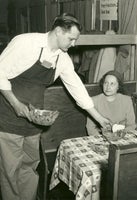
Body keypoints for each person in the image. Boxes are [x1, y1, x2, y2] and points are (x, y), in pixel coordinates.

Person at [0, 13, 111, 200]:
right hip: (9, 117)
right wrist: (16, 104)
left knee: (30, 165)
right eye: (71, 39)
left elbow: (77, 89)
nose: (73, 44)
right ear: (58, 31)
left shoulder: (62, 58)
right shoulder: (25, 43)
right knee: (10, 171)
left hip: (35, 120)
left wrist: (99, 118)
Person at [86, 70, 137, 136]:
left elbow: (131, 125)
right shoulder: (94, 101)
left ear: (118, 86)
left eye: (112, 84)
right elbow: (90, 128)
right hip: (102, 138)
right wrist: (102, 139)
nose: (108, 87)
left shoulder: (127, 100)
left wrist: (120, 135)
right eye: (106, 83)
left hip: (122, 136)